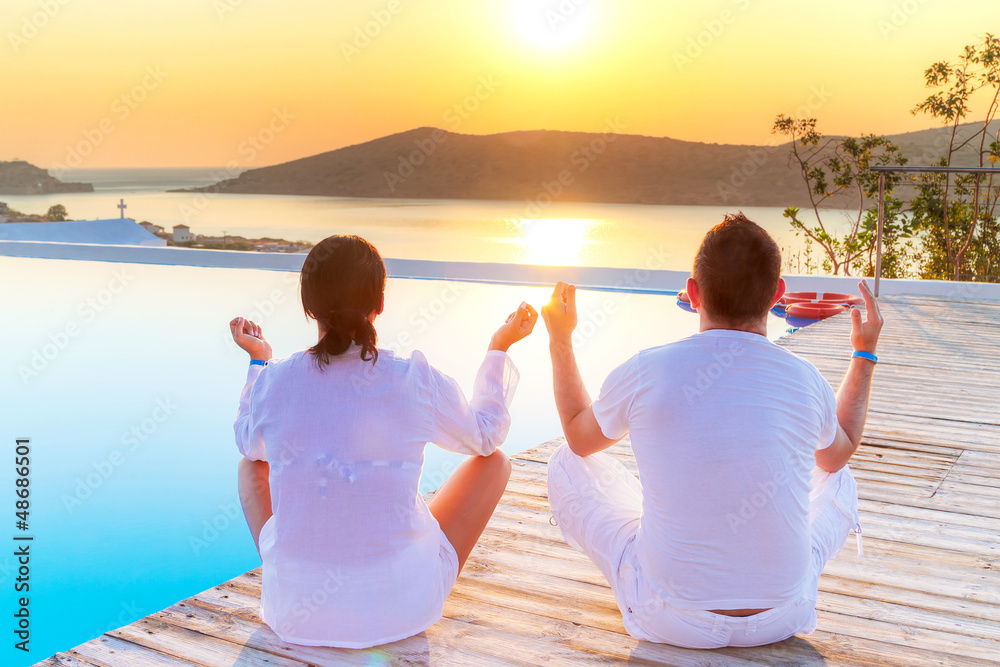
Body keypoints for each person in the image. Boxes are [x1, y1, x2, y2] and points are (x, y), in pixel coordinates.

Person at [541, 213, 882, 649]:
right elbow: (838, 454)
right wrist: (863, 353)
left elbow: (578, 437)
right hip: (784, 613)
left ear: (693, 292)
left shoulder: (648, 368)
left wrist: (561, 339)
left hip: (671, 618)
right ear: (778, 294)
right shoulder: (803, 377)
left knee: (566, 463)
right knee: (839, 474)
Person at [229, 235, 537, 648]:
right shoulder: (414, 379)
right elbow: (485, 436)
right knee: (495, 462)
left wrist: (259, 361)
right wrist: (498, 348)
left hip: (295, 614)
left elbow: (248, 442)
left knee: (250, 465)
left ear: (308, 308)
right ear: (379, 304)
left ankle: (293, 575)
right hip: (402, 609)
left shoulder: (276, 382)